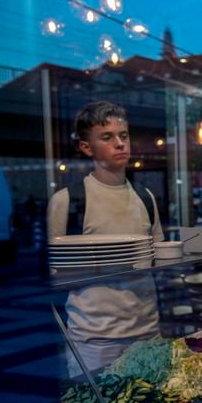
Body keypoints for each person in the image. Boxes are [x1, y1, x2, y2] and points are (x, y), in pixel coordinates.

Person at [47, 101, 164, 375]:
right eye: (107, 137)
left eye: (123, 135)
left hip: (148, 333)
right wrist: (109, 265)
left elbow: (160, 263)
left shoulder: (145, 198)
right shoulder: (68, 201)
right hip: (94, 342)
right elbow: (55, 278)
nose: (120, 143)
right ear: (86, 147)